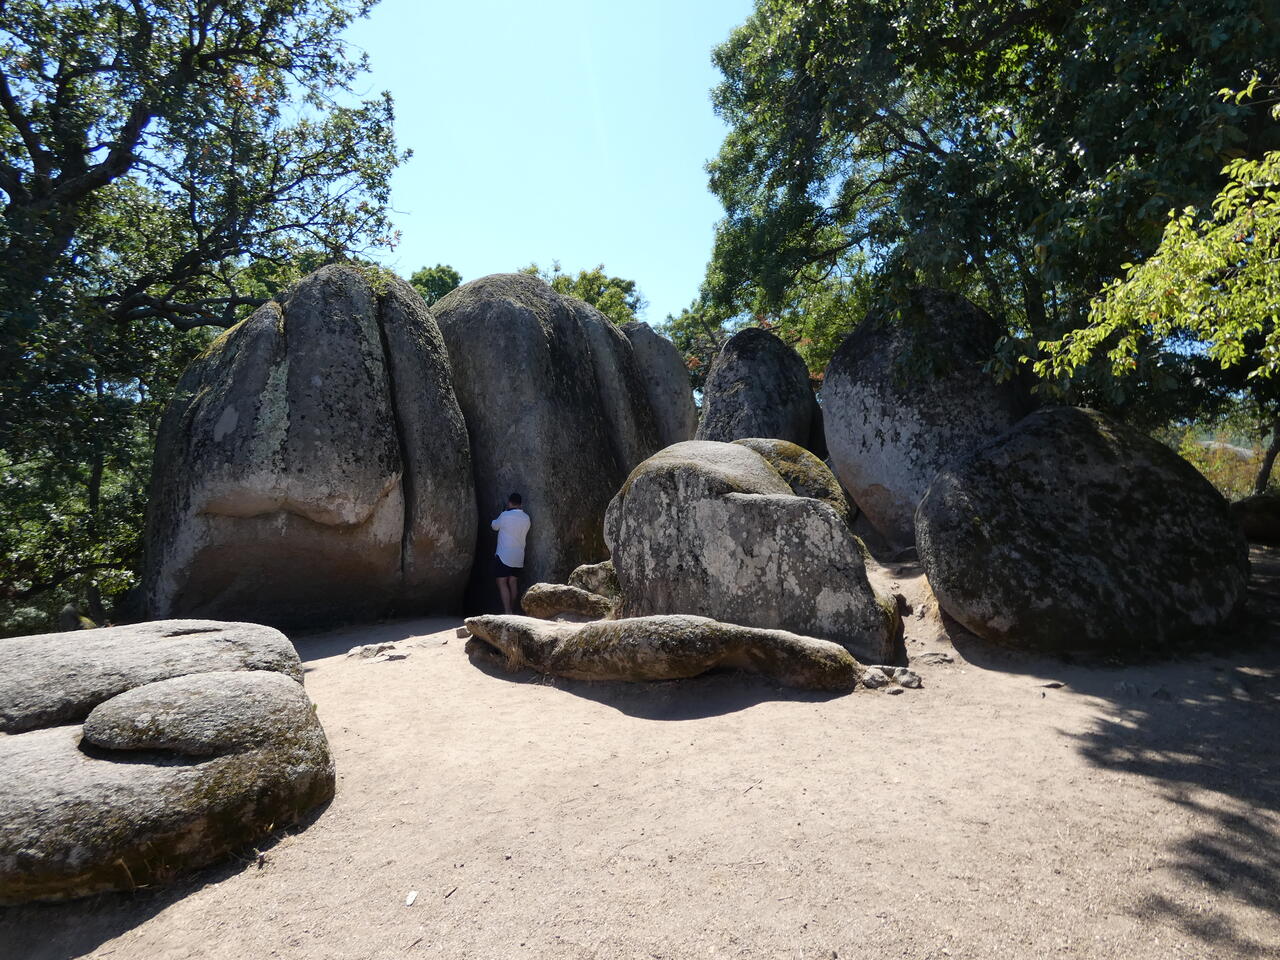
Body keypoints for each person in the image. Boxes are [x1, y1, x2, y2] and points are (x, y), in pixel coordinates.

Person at [491, 492, 531, 614]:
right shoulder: (526, 518)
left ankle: (508, 611)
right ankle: (512, 608)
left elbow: (494, 526)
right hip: (519, 556)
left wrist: (500, 515)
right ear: (521, 504)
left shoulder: (505, 515)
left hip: (504, 555)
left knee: (502, 582)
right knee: (513, 582)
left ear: (509, 503)